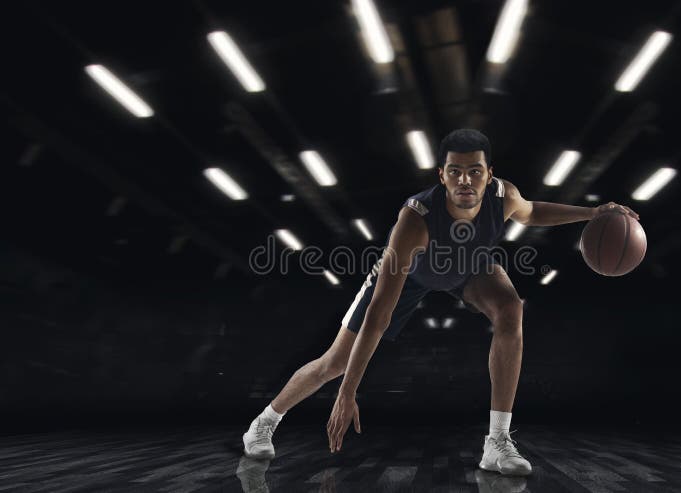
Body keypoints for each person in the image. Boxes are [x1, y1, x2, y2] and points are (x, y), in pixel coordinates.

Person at [242, 129, 638, 476]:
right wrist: (348, 391)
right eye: (455, 171)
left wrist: (592, 213)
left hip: (468, 268)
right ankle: (265, 421)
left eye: (475, 171)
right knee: (335, 363)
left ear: (489, 173)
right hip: (411, 274)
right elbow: (378, 317)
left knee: (511, 308)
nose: (465, 180)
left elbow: (532, 212)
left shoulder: (504, 196)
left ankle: (496, 443)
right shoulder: (415, 221)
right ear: (442, 175)